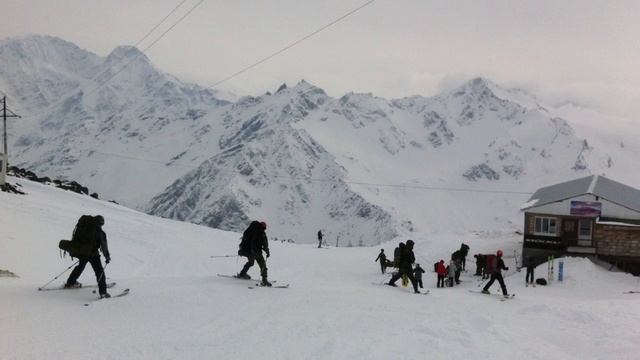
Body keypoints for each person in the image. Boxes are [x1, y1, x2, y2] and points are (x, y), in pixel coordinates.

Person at [65, 215, 111, 298]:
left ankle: (70, 282)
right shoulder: (100, 232)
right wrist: (107, 257)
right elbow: (104, 246)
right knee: (99, 272)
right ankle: (103, 292)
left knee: (80, 266)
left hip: (83, 252)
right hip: (93, 254)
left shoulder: (85, 227)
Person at [237, 221, 272, 286]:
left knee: (251, 262)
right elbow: (265, 246)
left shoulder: (251, 230)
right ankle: (264, 280)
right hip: (257, 252)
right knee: (263, 265)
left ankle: (242, 273)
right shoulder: (262, 233)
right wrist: (267, 252)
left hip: (249, 251)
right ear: (264, 227)